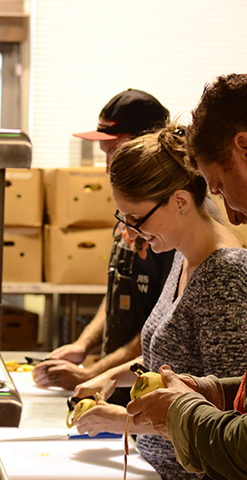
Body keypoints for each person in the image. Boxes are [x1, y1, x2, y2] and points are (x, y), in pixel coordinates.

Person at [71, 124, 247, 479]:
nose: (130, 230)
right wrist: (109, 377)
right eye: (124, 218)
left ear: (180, 202)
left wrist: (123, 420)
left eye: (137, 218)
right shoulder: (184, 256)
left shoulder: (225, 275)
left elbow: (230, 414)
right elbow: (172, 355)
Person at [126, 73, 247, 480]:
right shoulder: (182, 261)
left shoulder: (227, 273)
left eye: (221, 185)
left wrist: (179, 410)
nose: (232, 215)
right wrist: (214, 388)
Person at [33, 89, 174, 400]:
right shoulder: (130, 212)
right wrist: (82, 346)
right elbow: (117, 295)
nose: (108, 167)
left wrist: (91, 374)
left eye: (117, 152)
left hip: (148, 399)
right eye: (106, 154)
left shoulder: (168, 224)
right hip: (113, 392)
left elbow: (161, 330)